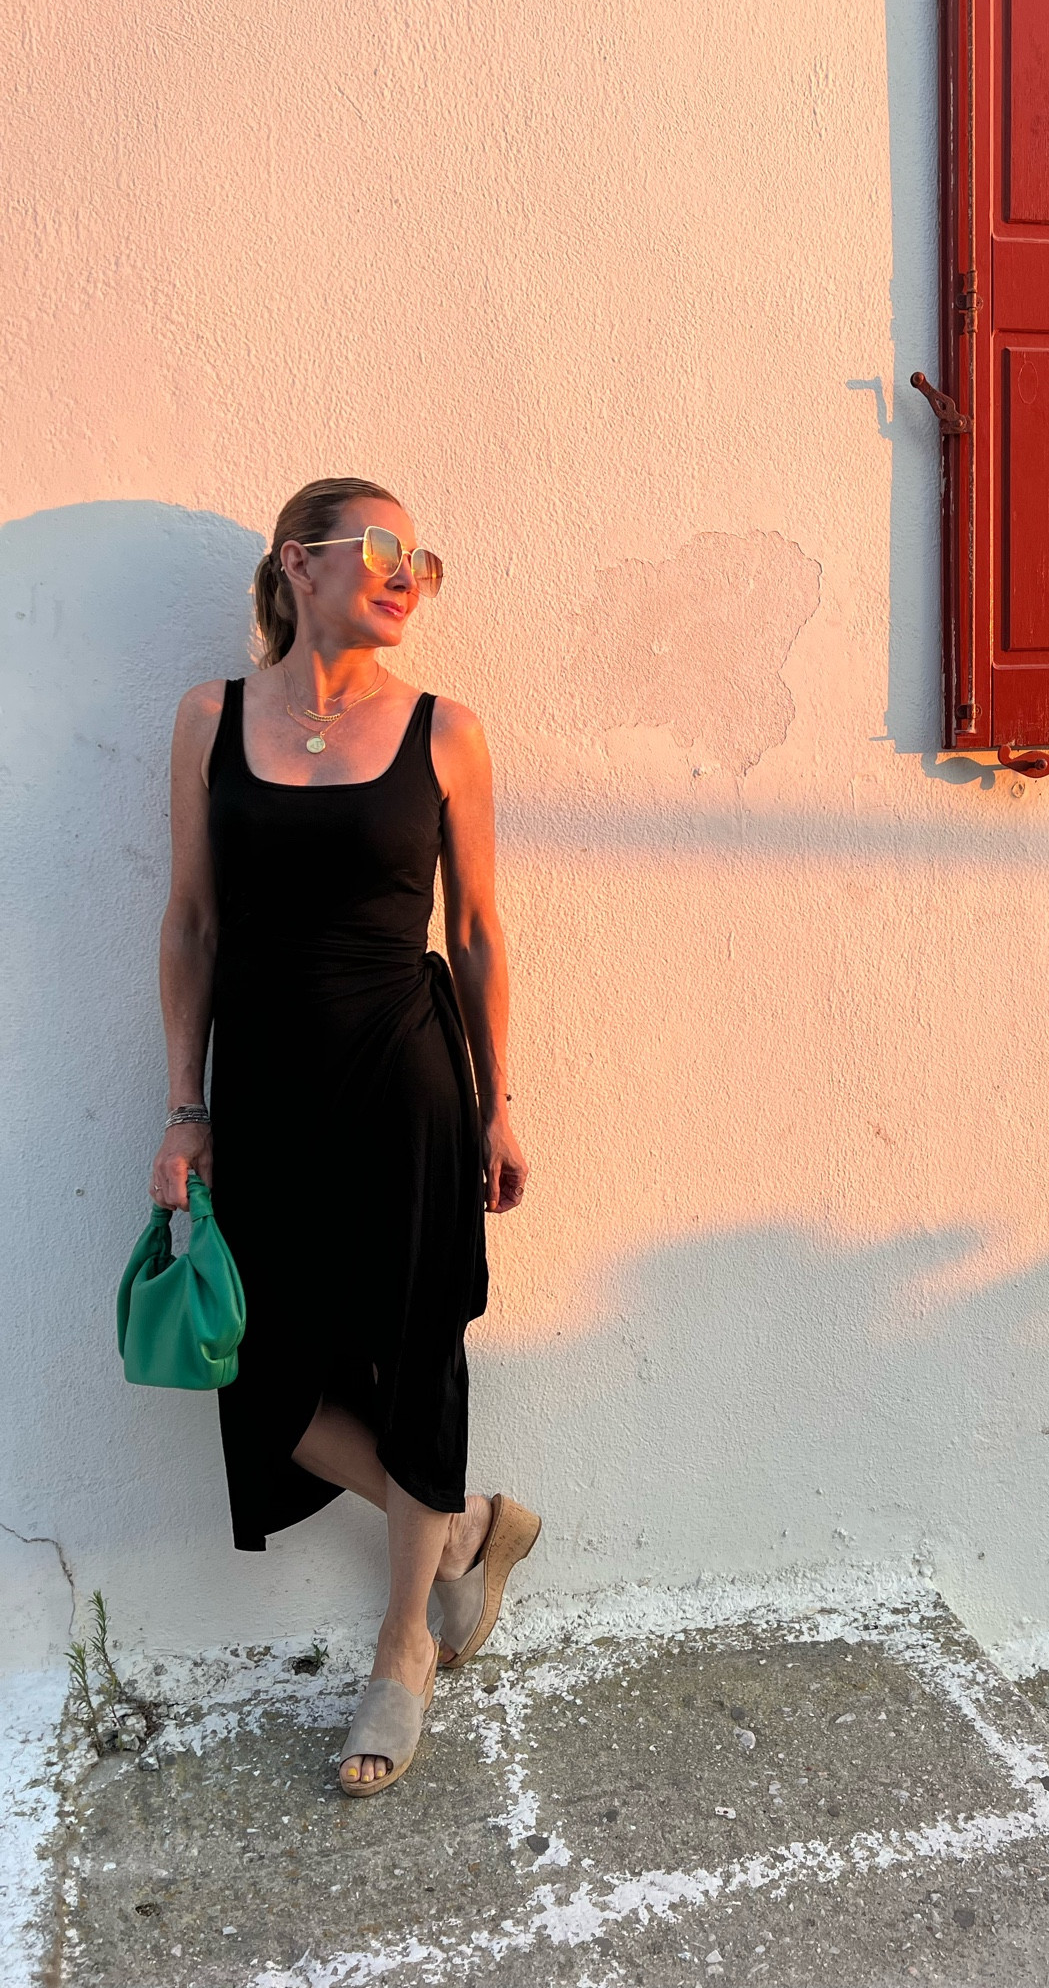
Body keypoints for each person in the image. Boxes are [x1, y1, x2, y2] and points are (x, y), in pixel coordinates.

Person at [149, 476, 540, 1796]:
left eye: (419, 558)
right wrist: (186, 1108)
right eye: (379, 548)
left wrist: (499, 1100)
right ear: (297, 563)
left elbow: (475, 932)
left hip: (406, 1076)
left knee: (417, 1352)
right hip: (263, 1085)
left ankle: (402, 1652)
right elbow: (193, 924)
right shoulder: (211, 719)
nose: (404, 572)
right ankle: (466, 1527)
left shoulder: (446, 731)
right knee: (255, 1364)